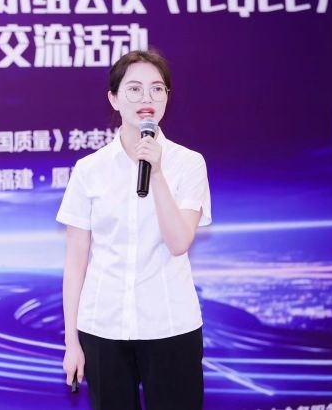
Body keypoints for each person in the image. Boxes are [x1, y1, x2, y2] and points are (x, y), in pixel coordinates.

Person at [56, 49, 212, 410]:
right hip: (103, 328)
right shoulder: (89, 169)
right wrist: (72, 343)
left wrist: (156, 173)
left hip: (170, 326)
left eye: (157, 89)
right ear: (114, 98)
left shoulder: (188, 164)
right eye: (135, 89)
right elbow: (76, 262)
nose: (147, 98)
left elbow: (179, 242)